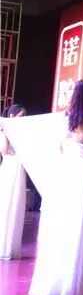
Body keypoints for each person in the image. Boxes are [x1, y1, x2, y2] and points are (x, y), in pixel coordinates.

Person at [29, 80, 83, 295]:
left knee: (58, 230)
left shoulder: (64, 124)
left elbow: (58, 151)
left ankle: (50, 287)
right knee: (77, 230)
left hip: (63, 177)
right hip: (82, 178)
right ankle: (70, 292)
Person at [0, 103, 27, 260]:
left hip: (19, 171)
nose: (24, 118)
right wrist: (5, 131)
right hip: (9, 170)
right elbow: (4, 151)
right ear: (11, 116)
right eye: (21, 115)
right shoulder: (3, 131)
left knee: (16, 206)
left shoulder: (23, 133)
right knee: (6, 205)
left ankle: (11, 246)